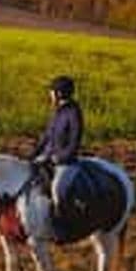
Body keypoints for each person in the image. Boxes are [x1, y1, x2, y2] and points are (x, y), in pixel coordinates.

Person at [32, 75, 84, 226]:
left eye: (51, 91)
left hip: (66, 163)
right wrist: (33, 154)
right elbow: (46, 136)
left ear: (59, 93)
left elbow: (74, 142)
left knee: (57, 189)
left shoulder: (74, 113)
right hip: (47, 157)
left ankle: (63, 223)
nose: (50, 95)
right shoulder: (57, 111)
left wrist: (58, 158)